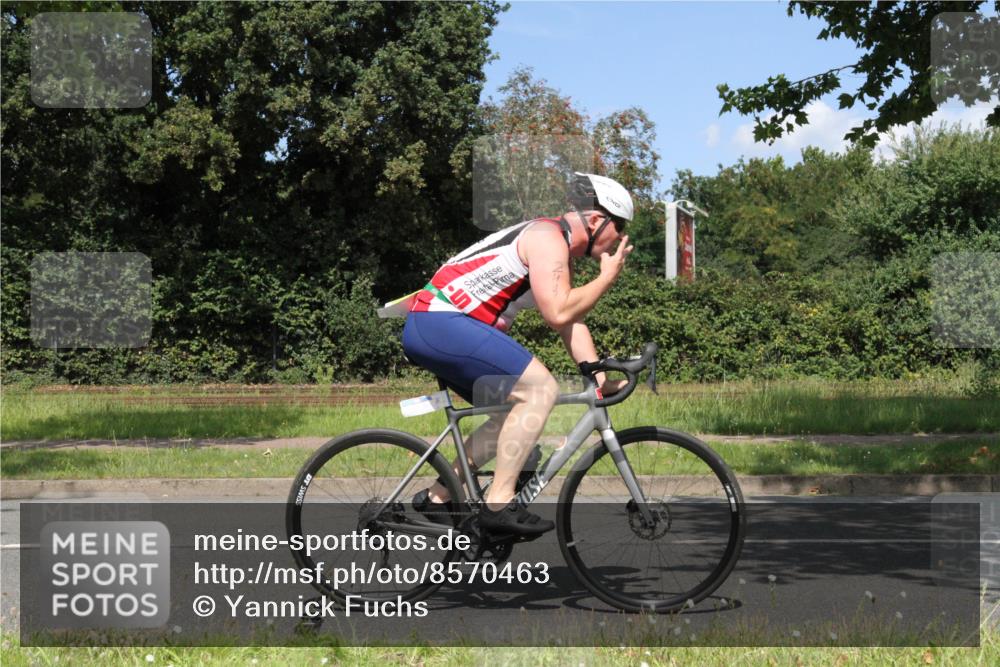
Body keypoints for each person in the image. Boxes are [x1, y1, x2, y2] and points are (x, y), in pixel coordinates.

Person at [401, 173, 634, 535]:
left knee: (515, 419)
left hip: (442, 326)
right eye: (617, 227)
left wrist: (600, 378)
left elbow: (569, 322)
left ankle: (438, 496)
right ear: (594, 220)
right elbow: (557, 312)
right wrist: (606, 279)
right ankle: (498, 504)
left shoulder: (558, 250)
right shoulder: (547, 238)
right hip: (442, 322)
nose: (618, 238)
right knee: (540, 390)